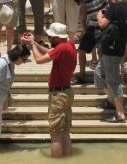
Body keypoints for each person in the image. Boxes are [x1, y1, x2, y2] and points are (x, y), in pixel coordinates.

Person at [22, 23, 77, 158]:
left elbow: (39, 60)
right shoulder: (70, 45)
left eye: (50, 36)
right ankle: (68, 159)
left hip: (58, 94)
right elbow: (51, 52)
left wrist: (33, 45)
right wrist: (34, 41)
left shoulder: (61, 48)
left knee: (56, 133)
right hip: (67, 92)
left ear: (57, 38)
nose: (48, 38)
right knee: (64, 131)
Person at [95, 0, 127, 122]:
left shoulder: (115, 8)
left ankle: (120, 114)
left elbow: (102, 24)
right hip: (116, 49)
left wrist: (99, 16)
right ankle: (112, 101)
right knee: (98, 74)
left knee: (114, 82)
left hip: (112, 51)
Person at [69, 0, 112, 84]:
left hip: (105, 25)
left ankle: (104, 75)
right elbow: (83, 16)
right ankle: (82, 76)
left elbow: (111, 1)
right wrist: (84, 31)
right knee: (81, 50)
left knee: (101, 51)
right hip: (92, 25)